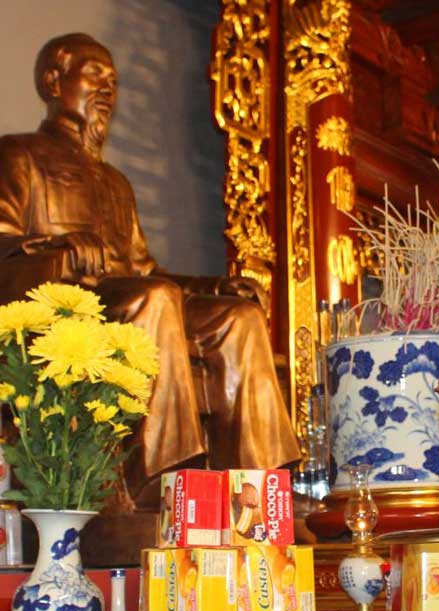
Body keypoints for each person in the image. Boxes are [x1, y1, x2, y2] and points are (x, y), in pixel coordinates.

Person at [0, 34, 300, 507]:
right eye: (94, 74)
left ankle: (261, 493)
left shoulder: (114, 183)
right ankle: (165, 481)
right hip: (64, 314)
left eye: (114, 81)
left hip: (129, 302)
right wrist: (59, 249)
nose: (108, 89)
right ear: (52, 81)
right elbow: (5, 245)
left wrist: (216, 285)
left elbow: (144, 269)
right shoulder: (18, 155)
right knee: (154, 300)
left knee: (237, 317)